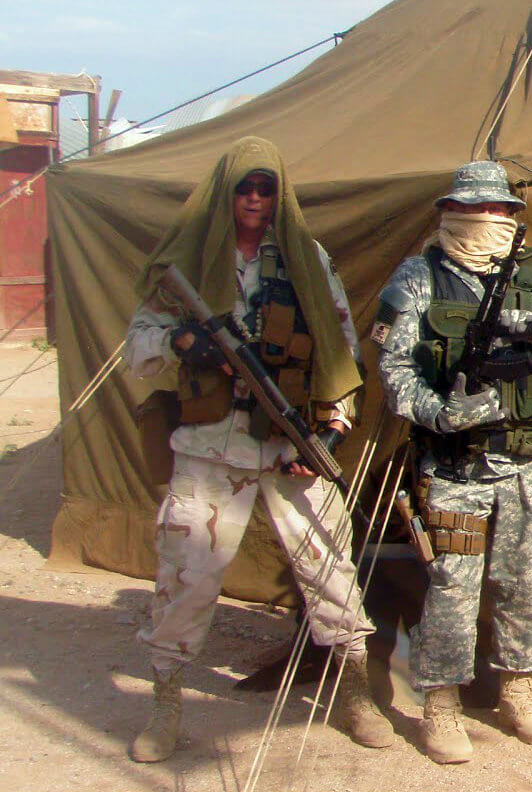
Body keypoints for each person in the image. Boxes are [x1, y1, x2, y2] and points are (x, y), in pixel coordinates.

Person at [124, 136, 392, 762]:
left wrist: (328, 430)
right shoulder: (187, 260)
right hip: (210, 446)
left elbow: (339, 348)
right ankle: (165, 702)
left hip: (288, 438)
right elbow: (139, 345)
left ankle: (353, 692)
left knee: (330, 570)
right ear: (226, 192)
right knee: (186, 578)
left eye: (265, 188)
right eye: (244, 187)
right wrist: (185, 343)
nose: (254, 198)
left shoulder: (305, 256)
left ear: (280, 194)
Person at [374, 160, 532, 763]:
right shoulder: (421, 275)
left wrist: (528, 325)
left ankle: (517, 691)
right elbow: (394, 370)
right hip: (455, 465)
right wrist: (439, 412)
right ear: (452, 211)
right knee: (452, 587)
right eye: (475, 208)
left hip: (526, 461)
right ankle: (440, 704)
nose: (488, 218)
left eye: (498, 209)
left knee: (526, 584)